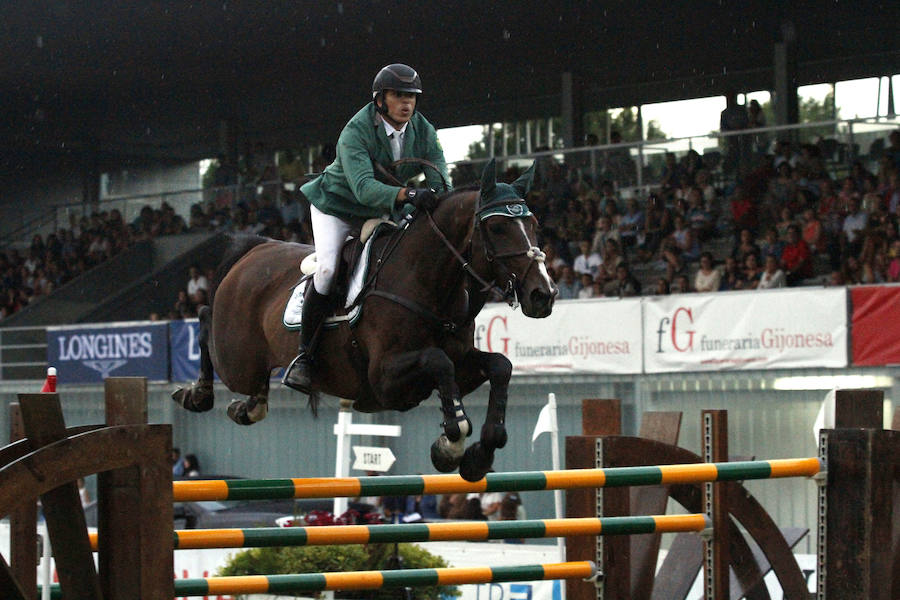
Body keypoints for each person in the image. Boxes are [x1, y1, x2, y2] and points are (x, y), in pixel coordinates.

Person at [283, 64, 449, 393]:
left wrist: (441, 200)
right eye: (399, 96)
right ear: (379, 100)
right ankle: (305, 356)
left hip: (379, 207)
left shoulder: (423, 129)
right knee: (329, 270)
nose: (407, 104)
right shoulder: (356, 131)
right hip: (337, 207)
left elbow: (438, 174)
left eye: (412, 97)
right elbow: (363, 188)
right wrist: (409, 194)